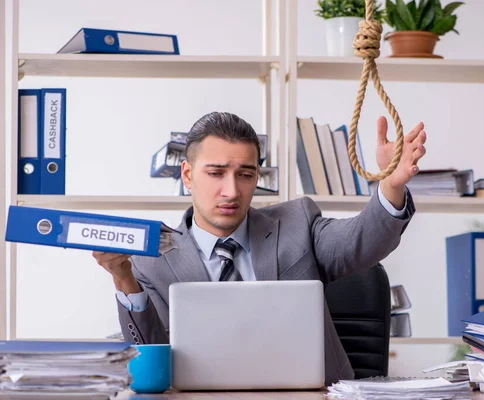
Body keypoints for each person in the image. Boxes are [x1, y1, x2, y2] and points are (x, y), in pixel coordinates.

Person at [93, 111, 427, 385]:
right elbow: (149, 360)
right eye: (216, 173)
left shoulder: (297, 222)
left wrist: (390, 186)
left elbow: (360, 242)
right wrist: (123, 279)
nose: (231, 191)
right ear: (188, 175)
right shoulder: (152, 260)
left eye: (245, 174)